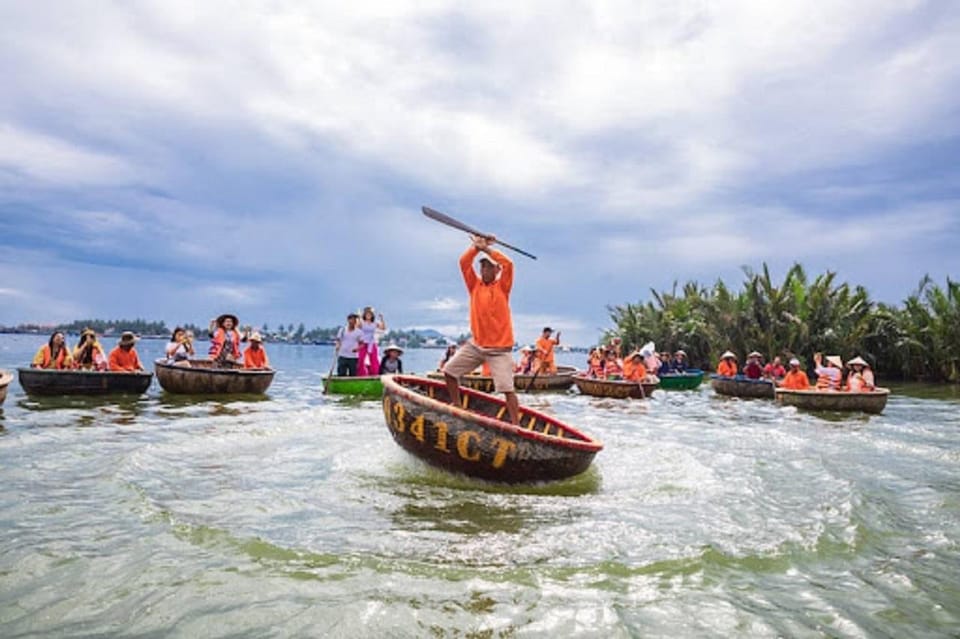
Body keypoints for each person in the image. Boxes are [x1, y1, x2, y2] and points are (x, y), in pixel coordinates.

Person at [442, 235, 520, 424]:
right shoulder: (474, 286)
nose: (484, 270)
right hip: (476, 345)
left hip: (499, 350)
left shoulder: (502, 286)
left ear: (496, 270)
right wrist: (476, 247)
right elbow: (463, 262)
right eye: (482, 266)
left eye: (488, 266)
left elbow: (509, 264)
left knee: (507, 389)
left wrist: (487, 248)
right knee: (449, 372)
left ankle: (517, 426)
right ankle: (457, 405)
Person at [357, 307, 387, 376]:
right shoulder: (362, 322)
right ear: (364, 315)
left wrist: (382, 319)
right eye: (367, 314)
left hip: (371, 342)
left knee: (374, 360)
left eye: (370, 314)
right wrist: (359, 317)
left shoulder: (375, 322)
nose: (368, 315)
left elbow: (383, 328)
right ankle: (362, 375)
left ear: (372, 315)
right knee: (361, 359)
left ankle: (375, 374)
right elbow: (358, 326)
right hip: (363, 342)